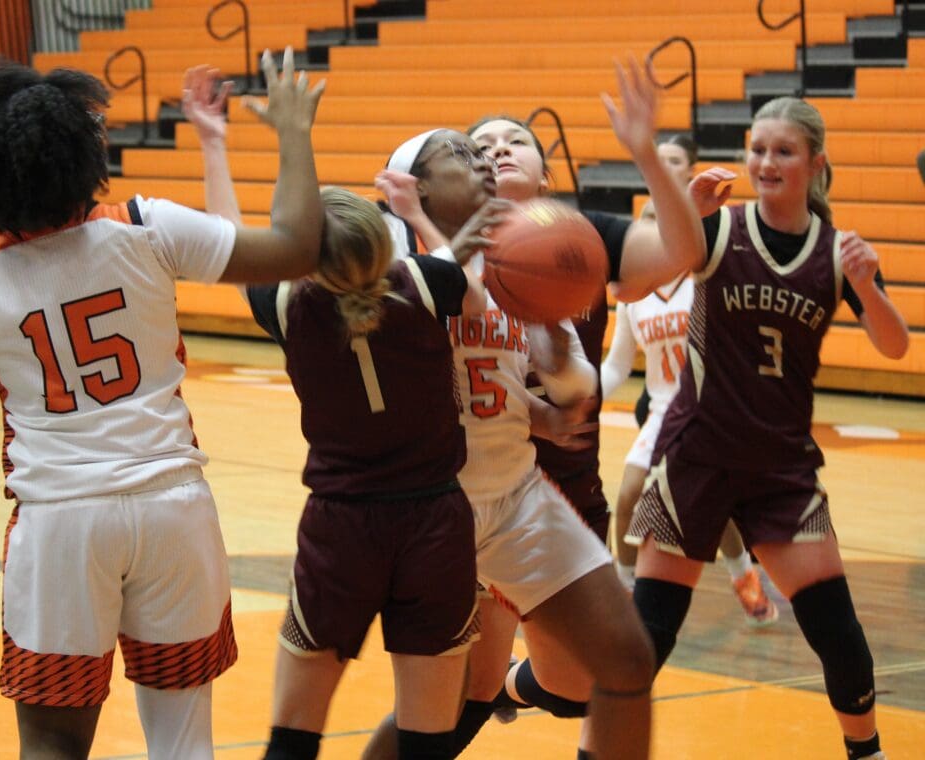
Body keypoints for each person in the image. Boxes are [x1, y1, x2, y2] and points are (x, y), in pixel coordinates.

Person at [0, 49, 324, 759]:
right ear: (84, 156)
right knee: (182, 738)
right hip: (173, 508)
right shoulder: (145, 224)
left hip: (61, 521)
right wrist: (293, 133)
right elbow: (294, 248)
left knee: (52, 740)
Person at [366, 58, 707, 760]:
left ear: (545, 174)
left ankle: (512, 689)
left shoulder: (560, 242)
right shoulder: (400, 256)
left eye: (511, 141)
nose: (491, 153)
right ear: (419, 185)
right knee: (444, 706)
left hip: (528, 490)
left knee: (619, 664)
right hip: (436, 503)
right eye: (472, 146)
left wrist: (545, 387)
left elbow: (568, 376)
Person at [182, 65, 491, 760]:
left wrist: (214, 143)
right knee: (427, 742)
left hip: (341, 528)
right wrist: (425, 229)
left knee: (292, 741)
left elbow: (226, 239)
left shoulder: (288, 303)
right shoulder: (428, 282)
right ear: (383, 242)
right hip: (436, 523)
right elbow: (471, 295)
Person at [626, 96, 909, 760]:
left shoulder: (837, 252)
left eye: (783, 151)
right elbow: (632, 288)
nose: (765, 162)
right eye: (757, 149)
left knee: (837, 632)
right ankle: (555, 711)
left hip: (781, 468)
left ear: (816, 163)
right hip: (696, 457)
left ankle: (866, 752)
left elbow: (895, 345)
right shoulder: (719, 226)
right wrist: (680, 203)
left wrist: (868, 285)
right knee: (647, 641)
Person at [606, 135, 778, 627]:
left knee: (709, 504)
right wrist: (587, 391)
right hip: (664, 408)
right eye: (645, 228)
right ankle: (625, 592)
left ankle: (743, 574)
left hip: (711, 407)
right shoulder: (633, 296)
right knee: (628, 496)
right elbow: (618, 364)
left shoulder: (705, 275)